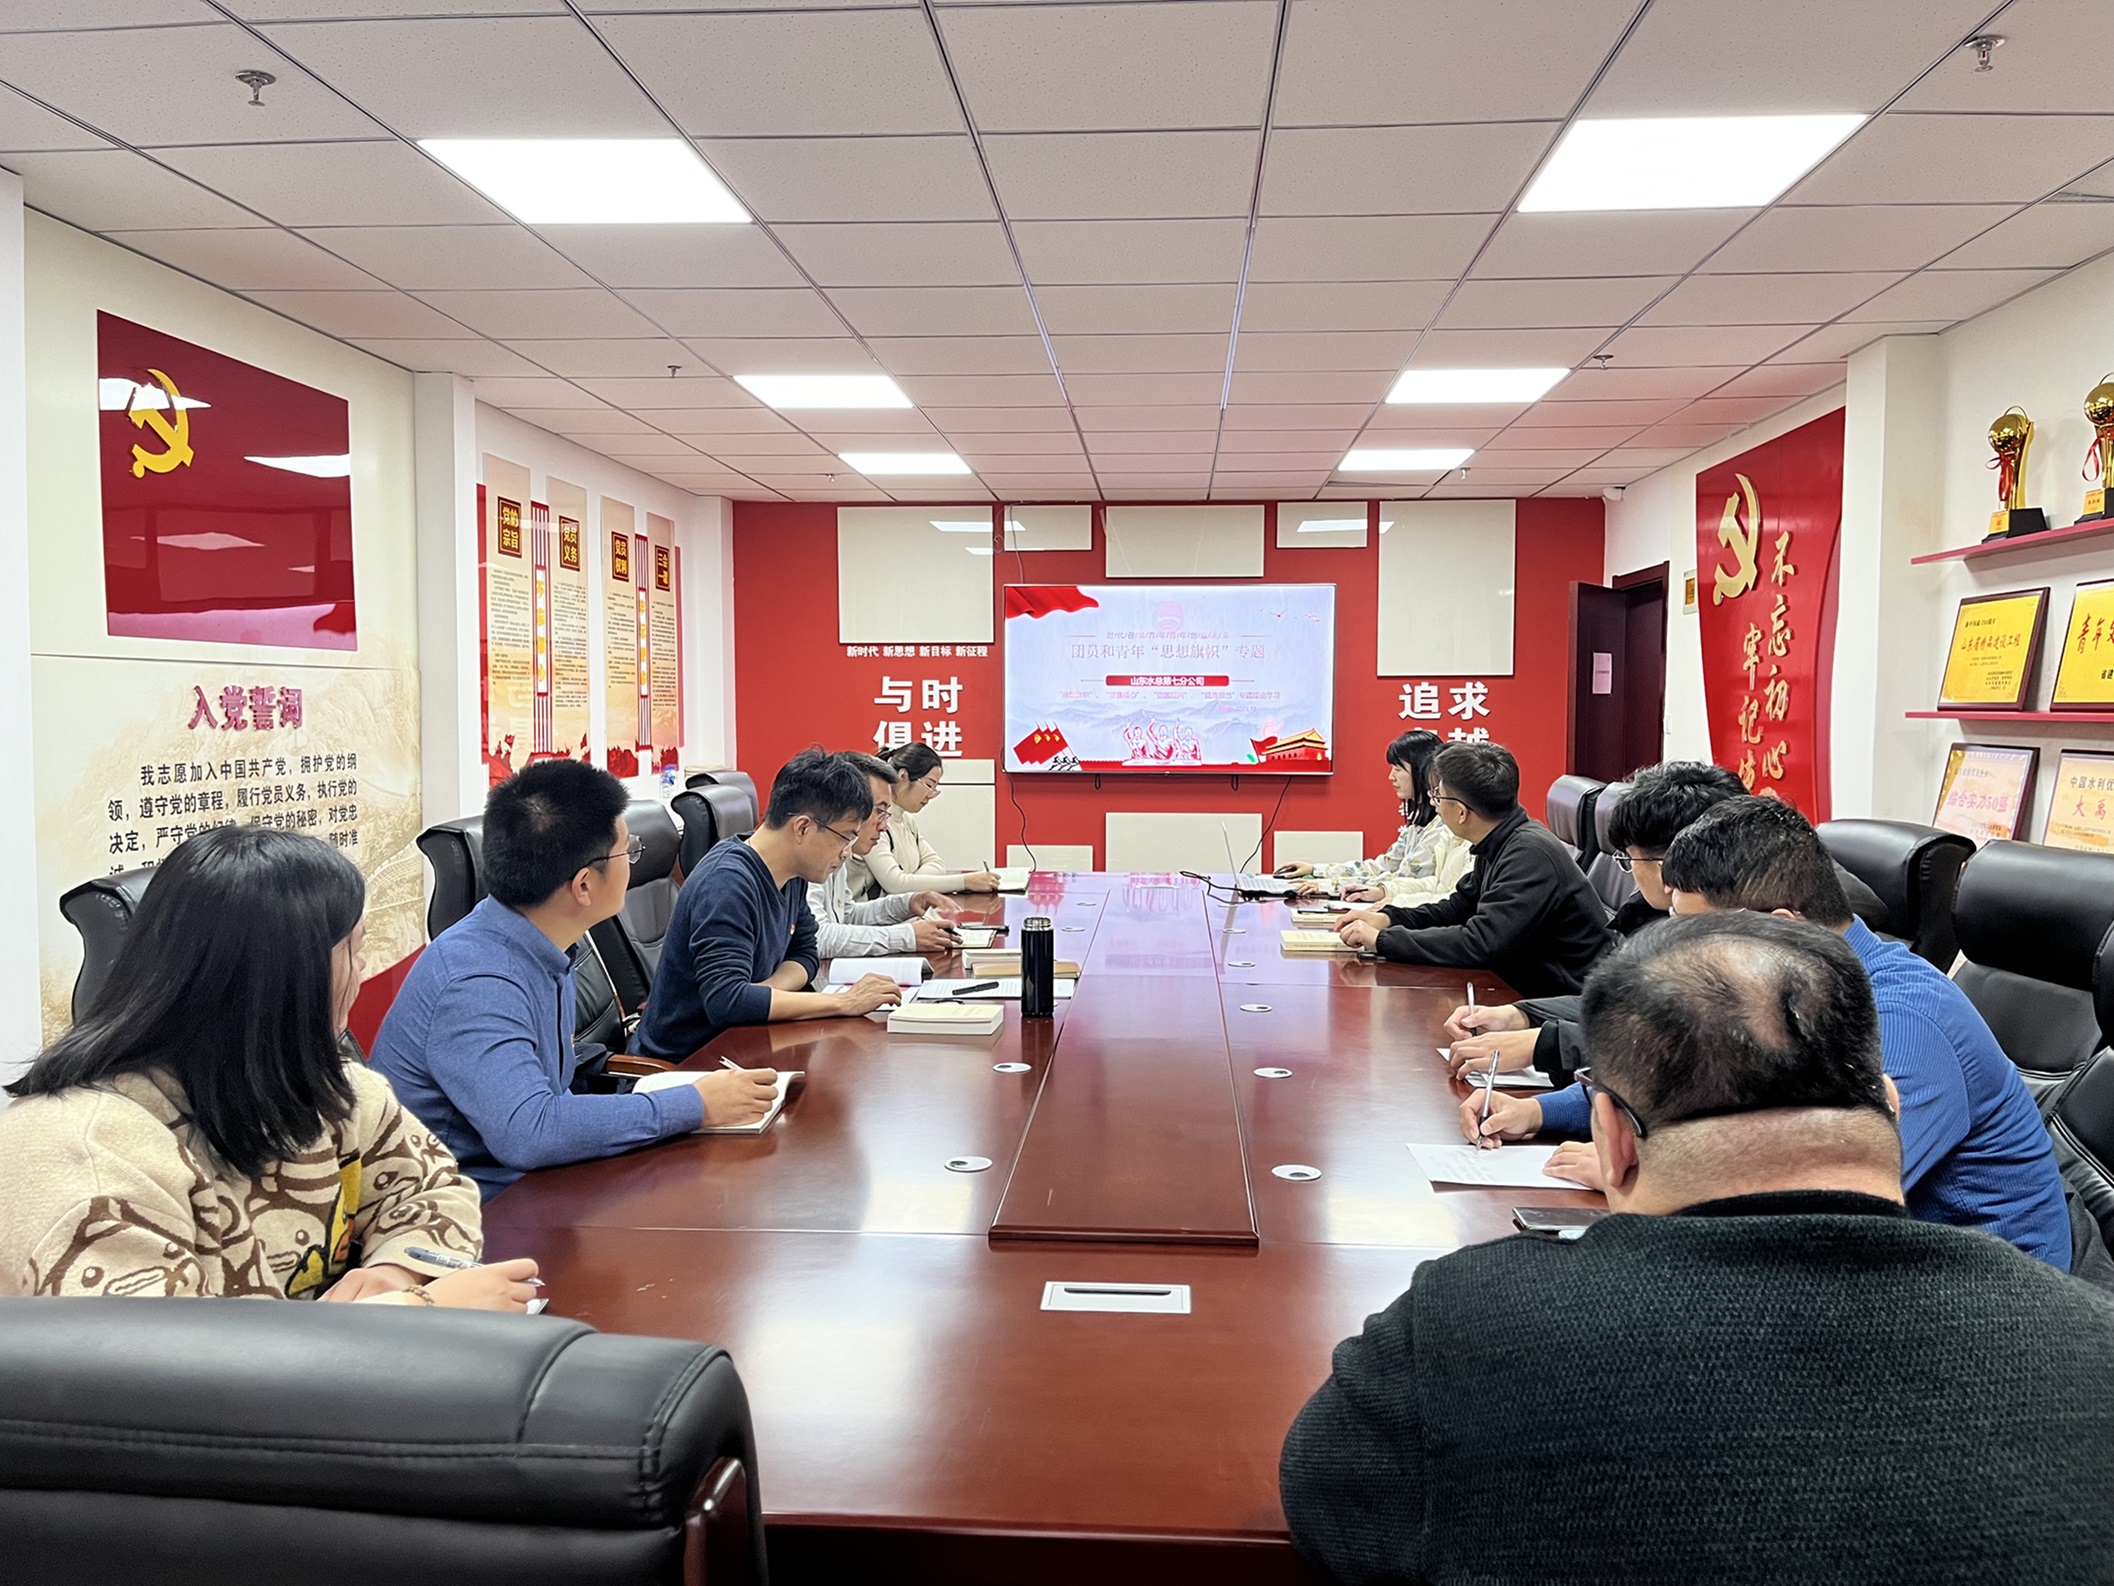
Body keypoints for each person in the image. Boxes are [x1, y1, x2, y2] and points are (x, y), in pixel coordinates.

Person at [1283, 911, 2114, 1585]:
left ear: (1613, 1142)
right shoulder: (2093, 1342)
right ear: (1892, 1107)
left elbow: (1328, 1512)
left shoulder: (1463, 1330)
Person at [1462, 796, 2074, 1271]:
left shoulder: (1905, 1021)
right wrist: (1540, 1111)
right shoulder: (1778, 992)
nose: (1687, 954)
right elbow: (1685, 1076)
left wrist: (1655, 1178)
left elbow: (1825, 1199)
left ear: (1783, 928)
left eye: (1703, 935)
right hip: (1861, 1265)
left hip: (1984, 1302)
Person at [0, 826, 535, 1309]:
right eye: (352, 948)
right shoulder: (81, 1150)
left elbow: (432, 1190)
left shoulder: (333, 1089)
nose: (363, 967)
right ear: (284, 976)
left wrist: (394, 1273)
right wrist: (416, 1310)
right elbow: (150, 1368)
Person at [373, 759, 780, 1199]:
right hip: (472, 1209)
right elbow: (530, 1132)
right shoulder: (477, 981)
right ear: (584, 885)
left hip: (535, 1184)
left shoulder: (542, 942)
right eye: (628, 850)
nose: (633, 861)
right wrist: (696, 1104)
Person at [1442, 764, 1891, 1086]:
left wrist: (1546, 1045)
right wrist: (1526, 1022)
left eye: (1630, 860)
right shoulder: (1686, 912)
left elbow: (1698, 1053)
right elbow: (1655, 1015)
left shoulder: (1873, 997)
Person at [637, 747, 903, 1061]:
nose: (847, 852)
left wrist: (765, 993)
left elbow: (806, 952)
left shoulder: (793, 872)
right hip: (689, 1063)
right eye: (845, 837)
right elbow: (726, 1001)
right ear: (803, 828)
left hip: (747, 1043)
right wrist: (844, 1002)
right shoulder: (727, 884)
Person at [1335, 741, 1614, 998]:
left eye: (1438, 796)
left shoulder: (1529, 855)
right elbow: (1457, 908)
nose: (1434, 804)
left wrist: (1383, 940)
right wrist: (1388, 919)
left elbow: (1481, 943)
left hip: (1565, 1000)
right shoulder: (1498, 840)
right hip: (1521, 984)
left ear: (1461, 812)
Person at [1279, 729, 1472, 907]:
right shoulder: (1419, 825)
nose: (1391, 777)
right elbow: (1382, 867)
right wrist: (1317, 870)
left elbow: (1402, 879)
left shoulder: (1443, 828)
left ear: (1421, 771)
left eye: (1398, 769)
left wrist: (1329, 885)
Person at [812, 751, 963, 957]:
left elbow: (847, 915)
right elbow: (818, 938)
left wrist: (907, 904)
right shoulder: (808, 858)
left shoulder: (838, 851)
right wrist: (906, 936)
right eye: (879, 811)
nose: (884, 826)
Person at [847, 741, 1001, 897]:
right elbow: (895, 884)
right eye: (929, 785)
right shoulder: (873, 822)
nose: (931, 795)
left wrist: (910, 882)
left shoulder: (907, 821)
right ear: (903, 776)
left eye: (935, 788)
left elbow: (937, 864)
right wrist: (966, 882)